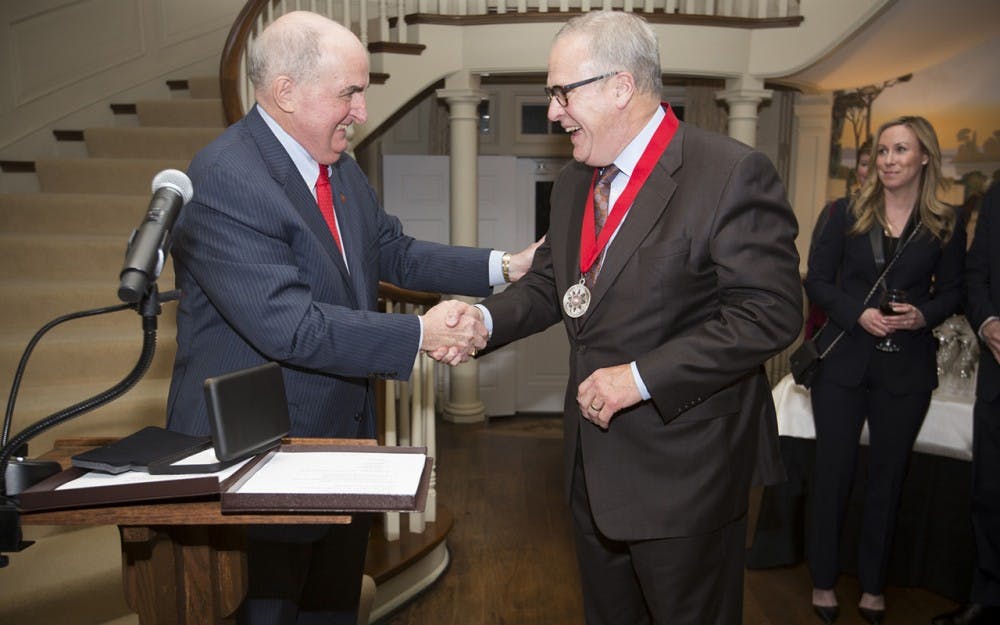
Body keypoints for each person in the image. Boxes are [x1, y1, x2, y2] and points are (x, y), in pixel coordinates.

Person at [165, 11, 537, 625]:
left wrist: (504, 266)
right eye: (350, 92)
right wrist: (422, 332)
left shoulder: (335, 162)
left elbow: (392, 250)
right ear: (285, 91)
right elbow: (291, 327)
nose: (361, 111)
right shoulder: (224, 177)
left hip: (340, 448)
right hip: (259, 460)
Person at [457, 11, 803, 625]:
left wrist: (640, 377)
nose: (555, 111)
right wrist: (483, 323)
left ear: (621, 87)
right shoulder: (572, 184)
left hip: (687, 475)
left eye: (563, 92)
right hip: (591, 467)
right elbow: (551, 286)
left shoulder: (728, 173)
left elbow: (770, 313)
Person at [804, 116, 966, 624]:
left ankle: (874, 587)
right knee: (833, 476)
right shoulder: (842, 212)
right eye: (883, 151)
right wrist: (857, 313)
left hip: (907, 371)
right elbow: (817, 282)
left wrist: (925, 314)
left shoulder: (945, 221)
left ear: (924, 158)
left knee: (888, 482)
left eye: (901, 150)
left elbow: (957, 290)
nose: (890, 160)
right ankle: (823, 580)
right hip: (844, 365)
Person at [931, 181, 1000, 625]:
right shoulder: (997, 196)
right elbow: (976, 273)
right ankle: (988, 595)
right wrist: (988, 320)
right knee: (991, 494)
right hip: (997, 372)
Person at [805, 139, 872, 339]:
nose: (868, 172)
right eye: (864, 164)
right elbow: (816, 272)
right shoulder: (837, 211)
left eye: (873, 165)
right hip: (835, 321)